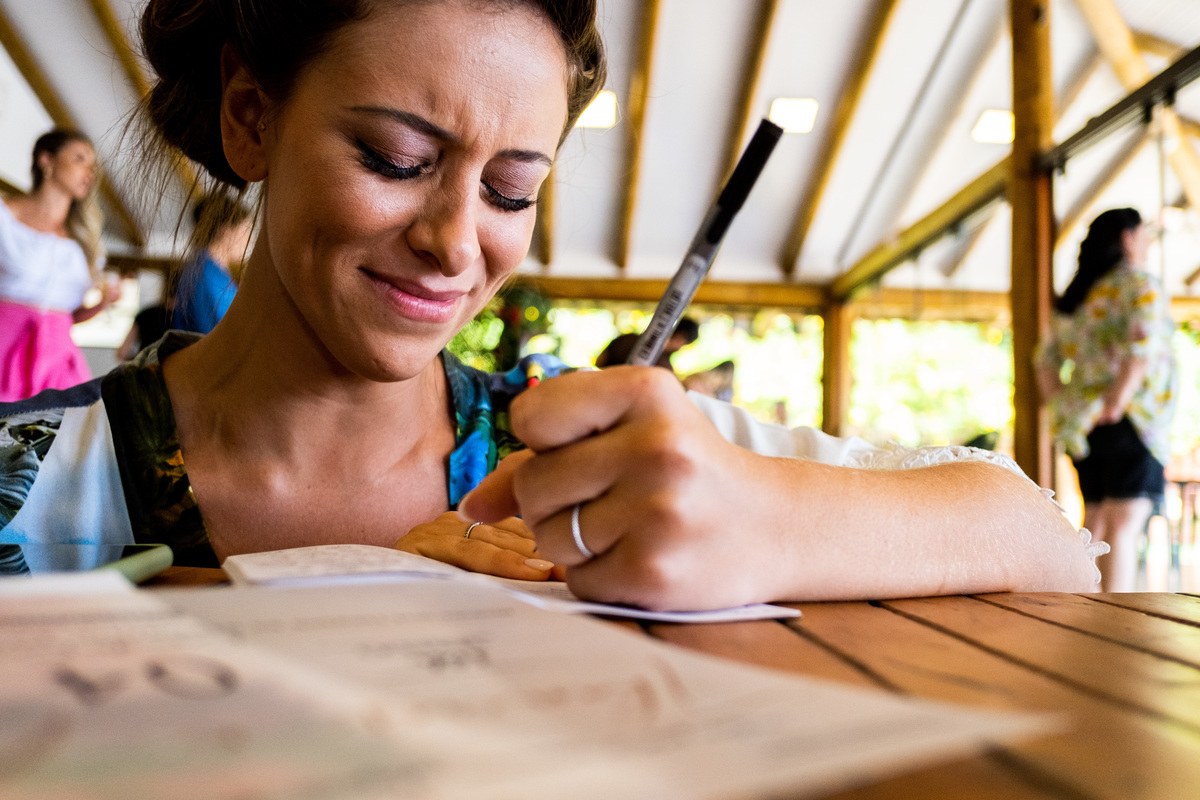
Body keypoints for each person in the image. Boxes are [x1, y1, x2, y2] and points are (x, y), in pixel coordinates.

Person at [0, 0, 1101, 611]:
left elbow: (1045, 537)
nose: (453, 239)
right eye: (394, 157)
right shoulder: (39, 479)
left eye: (510, 188)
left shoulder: (586, 462)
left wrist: (768, 518)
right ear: (250, 118)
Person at [1036, 208, 1176, 592]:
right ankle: (1114, 625)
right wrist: (1116, 403)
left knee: (1095, 521)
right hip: (1131, 418)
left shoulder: (1078, 298)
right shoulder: (1138, 283)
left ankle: (1083, 615)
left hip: (1085, 422)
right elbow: (1143, 347)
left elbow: (1045, 363)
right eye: (1143, 234)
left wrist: (1065, 408)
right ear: (1128, 238)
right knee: (1124, 525)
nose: (1147, 242)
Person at [0, 129, 119, 401]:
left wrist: (102, 303)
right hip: (5, 351)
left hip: (57, 362)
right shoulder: (5, 219)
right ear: (47, 161)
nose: (90, 171)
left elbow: (69, 316)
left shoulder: (85, 243)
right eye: (80, 158)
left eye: (93, 164)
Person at [171, 191, 254, 334]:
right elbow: (229, 333)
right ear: (226, 231)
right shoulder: (207, 275)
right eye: (245, 232)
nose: (249, 240)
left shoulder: (204, 268)